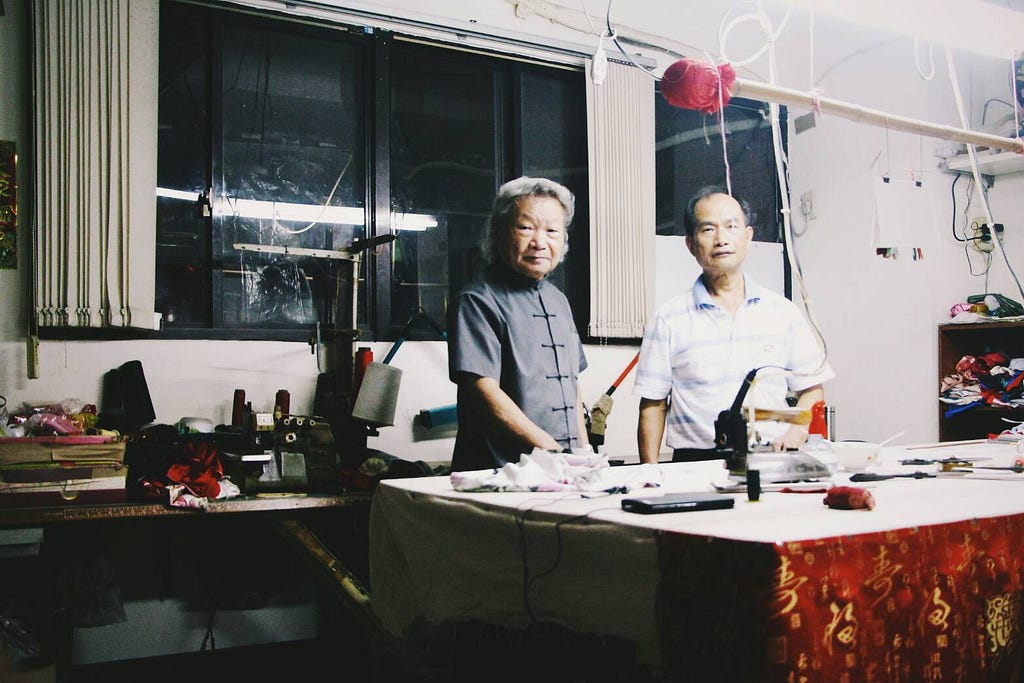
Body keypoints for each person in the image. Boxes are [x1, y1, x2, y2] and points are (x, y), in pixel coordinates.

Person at [634, 185, 834, 463]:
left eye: (731, 226)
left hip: (771, 457)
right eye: (708, 229)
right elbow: (653, 405)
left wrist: (796, 433)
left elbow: (811, 389)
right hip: (695, 462)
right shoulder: (667, 318)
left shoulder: (783, 312)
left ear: (748, 236)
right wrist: (650, 472)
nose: (721, 239)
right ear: (690, 244)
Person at [448, 176, 589, 472]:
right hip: (499, 473)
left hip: (562, 469)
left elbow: (572, 387)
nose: (539, 242)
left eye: (552, 230)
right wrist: (553, 450)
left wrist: (584, 454)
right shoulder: (477, 300)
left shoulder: (559, 301)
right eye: (526, 228)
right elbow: (484, 391)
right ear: (499, 232)